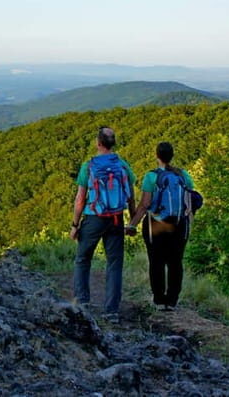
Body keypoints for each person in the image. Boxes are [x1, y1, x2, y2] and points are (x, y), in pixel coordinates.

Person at [70, 126, 136, 323]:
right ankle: (111, 312)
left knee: (83, 259)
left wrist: (74, 224)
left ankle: (82, 303)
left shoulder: (88, 166)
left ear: (98, 143)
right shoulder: (122, 165)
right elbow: (131, 196)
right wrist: (132, 222)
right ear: (113, 143)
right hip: (116, 218)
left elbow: (80, 199)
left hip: (94, 217)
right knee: (114, 264)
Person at [126, 141, 195, 311]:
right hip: (179, 224)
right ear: (172, 156)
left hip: (156, 224)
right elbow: (190, 203)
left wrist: (132, 225)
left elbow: (145, 204)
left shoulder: (151, 177)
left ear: (157, 156)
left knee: (156, 262)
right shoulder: (184, 176)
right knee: (175, 262)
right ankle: (172, 301)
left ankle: (159, 300)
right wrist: (189, 225)